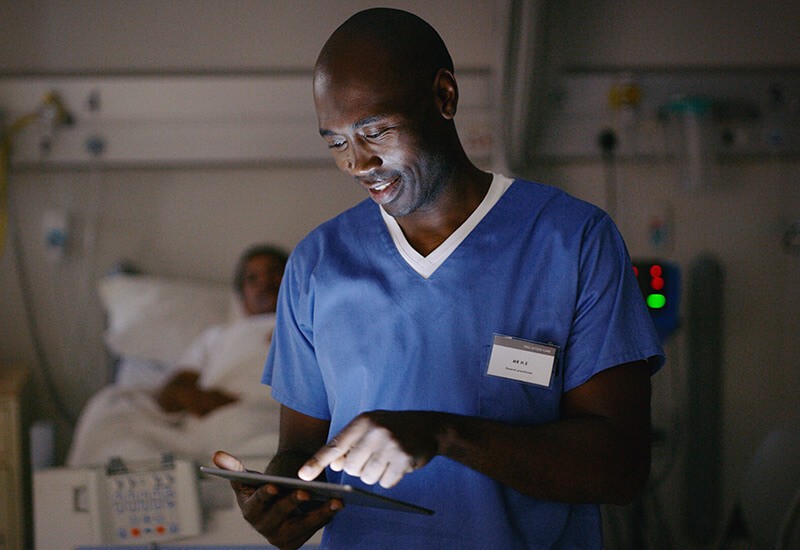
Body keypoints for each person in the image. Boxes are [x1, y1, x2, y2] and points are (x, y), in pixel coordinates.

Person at [212, 8, 664, 549]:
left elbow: (620, 469)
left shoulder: (571, 241)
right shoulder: (318, 264)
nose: (357, 162)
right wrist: (283, 501)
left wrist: (446, 434)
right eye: (335, 142)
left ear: (444, 97)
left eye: (375, 131)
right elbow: (302, 450)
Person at [67, 244, 288, 466]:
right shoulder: (216, 337)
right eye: (252, 278)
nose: (265, 282)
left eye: (274, 272)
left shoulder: (305, 325)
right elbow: (173, 392)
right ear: (241, 295)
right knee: (108, 408)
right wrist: (208, 400)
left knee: (261, 445)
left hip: (266, 415)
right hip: (211, 417)